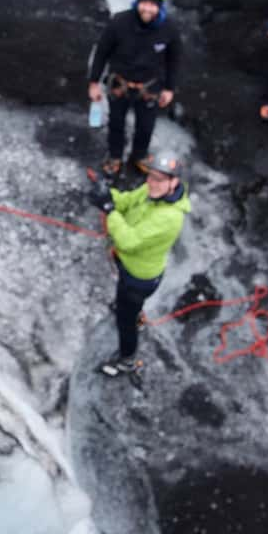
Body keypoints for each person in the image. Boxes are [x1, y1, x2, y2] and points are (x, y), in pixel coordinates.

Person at [89, 154, 190, 379]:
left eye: (160, 179)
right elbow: (125, 202)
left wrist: (108, 209)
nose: (152, 183)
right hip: (129, 267)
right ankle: (136, 315)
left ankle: (127, 360)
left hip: (139, 278)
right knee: (126, 304)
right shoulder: (151, 191)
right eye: (151, 177)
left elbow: (129, 241)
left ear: (174, 183)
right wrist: (107, 195)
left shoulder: (170, 217)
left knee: (125, 321)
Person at [87, 0, 183, 178]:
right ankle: (114, 156)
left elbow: (174, 60)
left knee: (145, 126)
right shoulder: (119, 22)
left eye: (153, 4)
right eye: (144, 3)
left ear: (160, 6)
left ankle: (139, 155)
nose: (147, 9)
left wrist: (169, 88)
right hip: (119, 85)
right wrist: (94, 82)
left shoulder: (169, 30)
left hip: (149, 88)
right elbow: (102, 52)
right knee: (116, 124)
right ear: (138, 1)